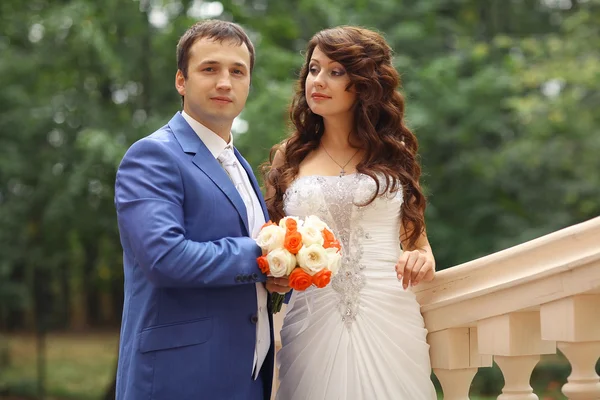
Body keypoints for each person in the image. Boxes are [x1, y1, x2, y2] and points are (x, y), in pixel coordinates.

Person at [114, 19, 287, 400]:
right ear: (181, 81)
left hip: (247, 376)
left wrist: (278, 277)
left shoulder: (240, 164)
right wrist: (263, 256)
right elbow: (165, 257)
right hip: (179, 378)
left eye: (237, 71)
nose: (224, 81)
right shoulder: (153, 155)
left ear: (248, 85)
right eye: (209, 69)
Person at [264, 26, 437, 399]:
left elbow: (420, 247)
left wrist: (421, 261)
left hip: (390, 317)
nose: (318, 81)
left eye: (335, 71)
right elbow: (270, 243)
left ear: (363, 83)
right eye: (313, 69)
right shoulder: (289, 157)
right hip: (313, 322)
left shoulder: (393, 154)